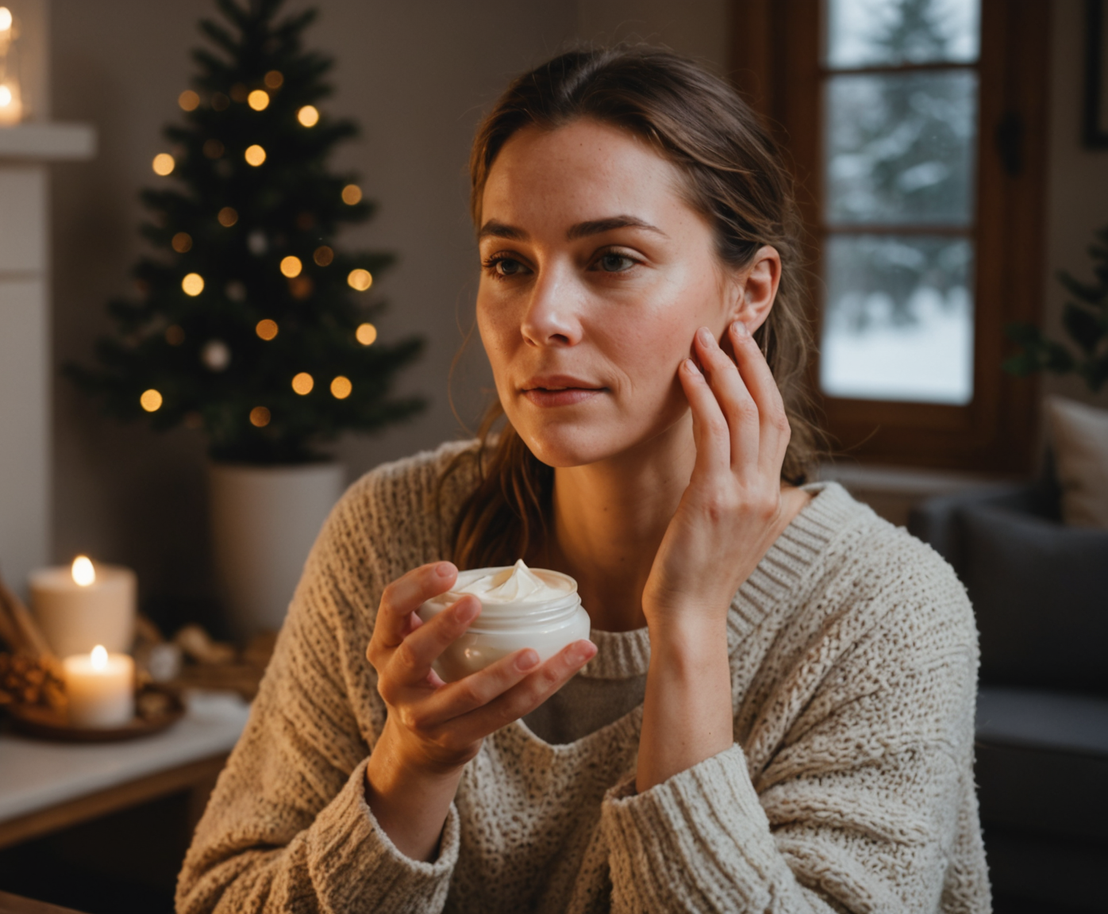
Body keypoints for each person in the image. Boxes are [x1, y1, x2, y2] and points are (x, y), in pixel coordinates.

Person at [176, 46, 988, 913]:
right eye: (509, 263)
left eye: (612, 260)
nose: (542, 317)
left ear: (748, 292)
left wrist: (689, 623)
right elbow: (220, 899)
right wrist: (411, 765)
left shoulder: (888, 612)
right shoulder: (391, 531)